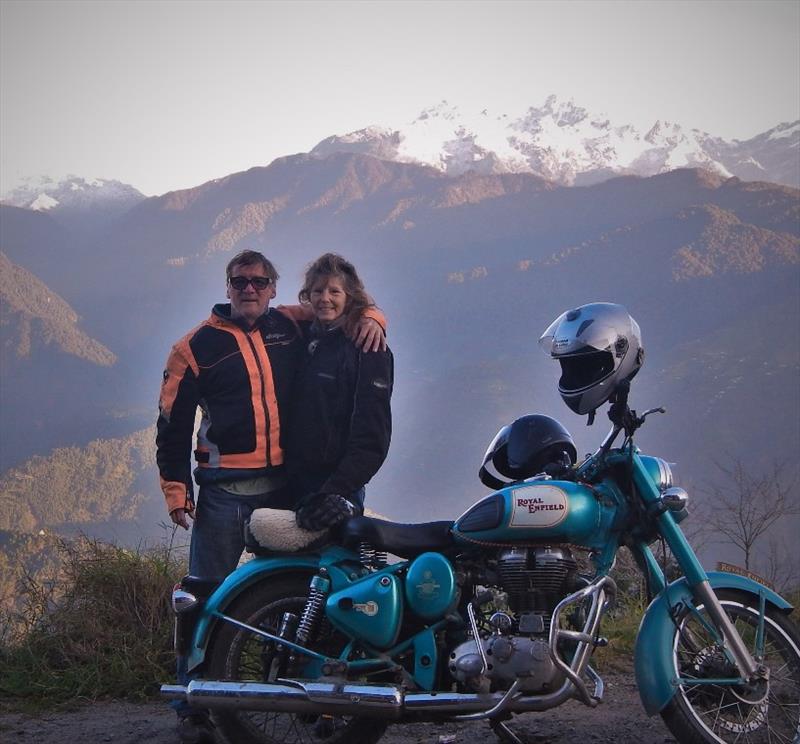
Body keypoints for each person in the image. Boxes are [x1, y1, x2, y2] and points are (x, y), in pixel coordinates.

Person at [155, 249, 385, 743]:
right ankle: (190, 701)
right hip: (221, 494)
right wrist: (177, 490)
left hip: (284, 490)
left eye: (260, 281)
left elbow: (342, 307)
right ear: (228, 285)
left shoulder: (289, 327)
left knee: (293, 596)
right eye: (240, 281)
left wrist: (373, 317)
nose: (250, 289)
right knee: (202, 595)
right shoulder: (194, 347)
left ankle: (309, 698)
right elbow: (172, 426)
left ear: (275, 288)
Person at [288, 253, 394, 532]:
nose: (325, 298)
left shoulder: (367, 347)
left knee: (332, 571)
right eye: (318, 290)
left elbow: (372, 436)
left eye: (335, 291)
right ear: (307, 296)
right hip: (292, 485)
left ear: (350, 296)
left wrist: (334, 492)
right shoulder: (303, 338)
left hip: (336, 490)